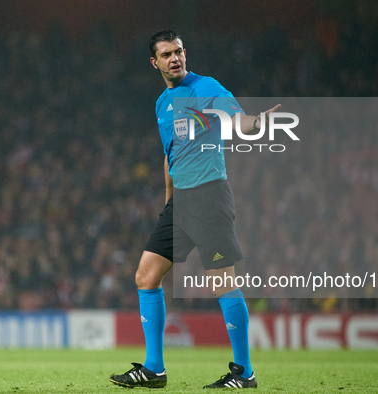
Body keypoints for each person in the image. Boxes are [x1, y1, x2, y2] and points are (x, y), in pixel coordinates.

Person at [109, 30, 280, 389]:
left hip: (210, 196)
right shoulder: (161, 104)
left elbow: (238, 120)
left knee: (222, 283)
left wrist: (258, 123)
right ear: (154, 62)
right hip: (180, 202)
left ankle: (244, 373)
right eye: (167, 54)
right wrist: (169, 198)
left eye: (179, 51)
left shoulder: (206, 88)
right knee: (146, 276)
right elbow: (169, 155)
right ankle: (154, 369)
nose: (176, 58)